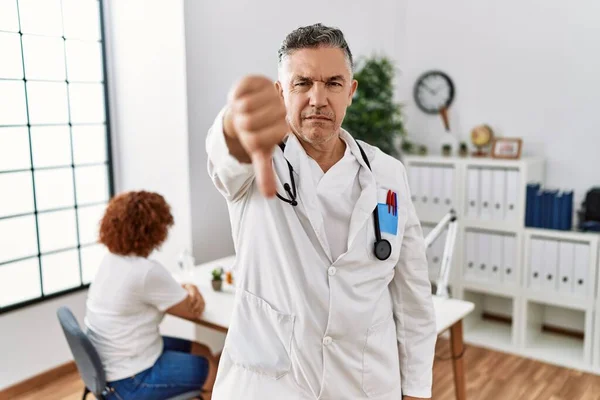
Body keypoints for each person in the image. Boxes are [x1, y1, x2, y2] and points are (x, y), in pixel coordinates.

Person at [206, 23, 436, 400]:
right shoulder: (257, 161)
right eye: (302, 83)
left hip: (363, 385)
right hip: (271, 387)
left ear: (351, 91)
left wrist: (414, 391)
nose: (318, 98)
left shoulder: (387, 173)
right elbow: (226, 153)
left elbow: (413, 297)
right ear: (280, 93)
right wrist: (236, 121)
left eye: (332, 83)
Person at [84, 191, 218, 400]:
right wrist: (191, 287)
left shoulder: (111, 260)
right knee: (212, 371)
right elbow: (192, 310)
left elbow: (155, 292)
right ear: (153, 232)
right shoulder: (145, 271)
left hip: (110, 366)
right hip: (130, 379)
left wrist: (180, 289)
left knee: (203, 350)